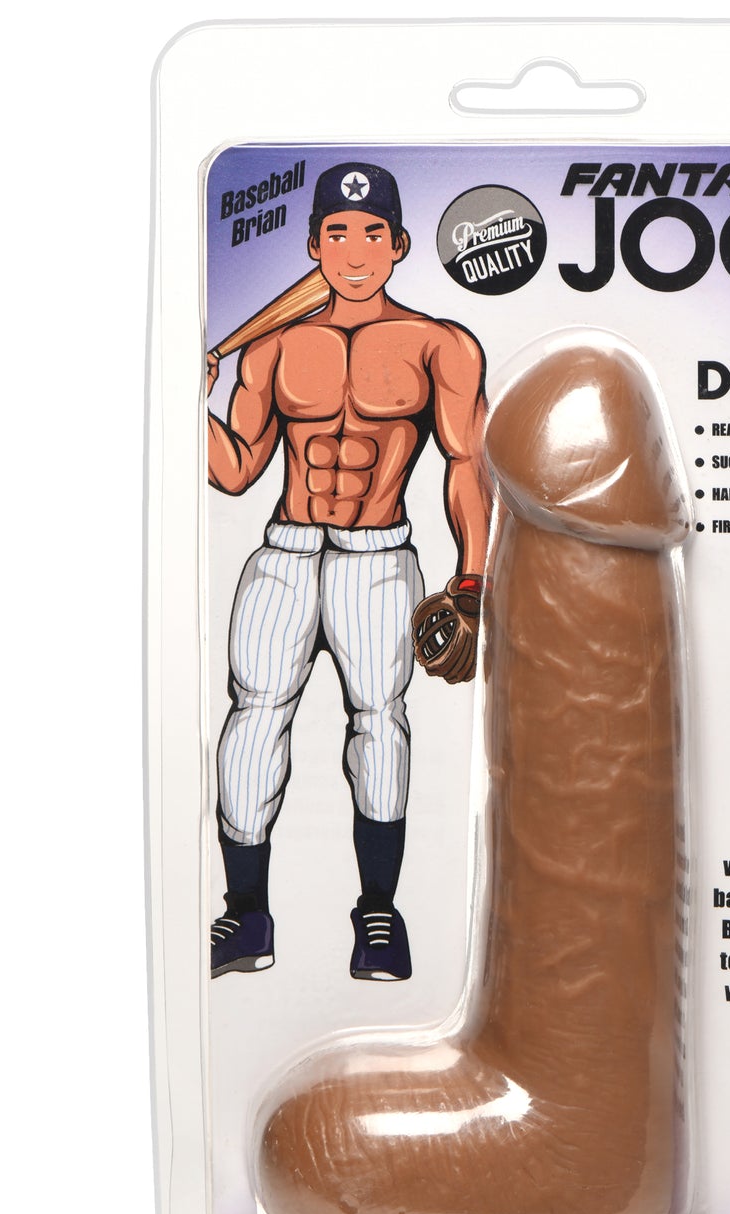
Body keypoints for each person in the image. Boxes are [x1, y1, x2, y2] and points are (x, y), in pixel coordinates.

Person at [205, 161, 490, 981]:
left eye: (371, 234)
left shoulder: (440, 344)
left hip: (377, 557)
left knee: (379, 723)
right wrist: (195, 401)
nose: (354, 251)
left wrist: (471, 581)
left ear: (398, 244)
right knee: (253, 718)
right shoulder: (271, 347)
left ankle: (378, 915)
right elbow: (234, 470)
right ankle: (246, 914)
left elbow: (467, 464)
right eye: (336, 233)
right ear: (313, 245)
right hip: (285, 552)